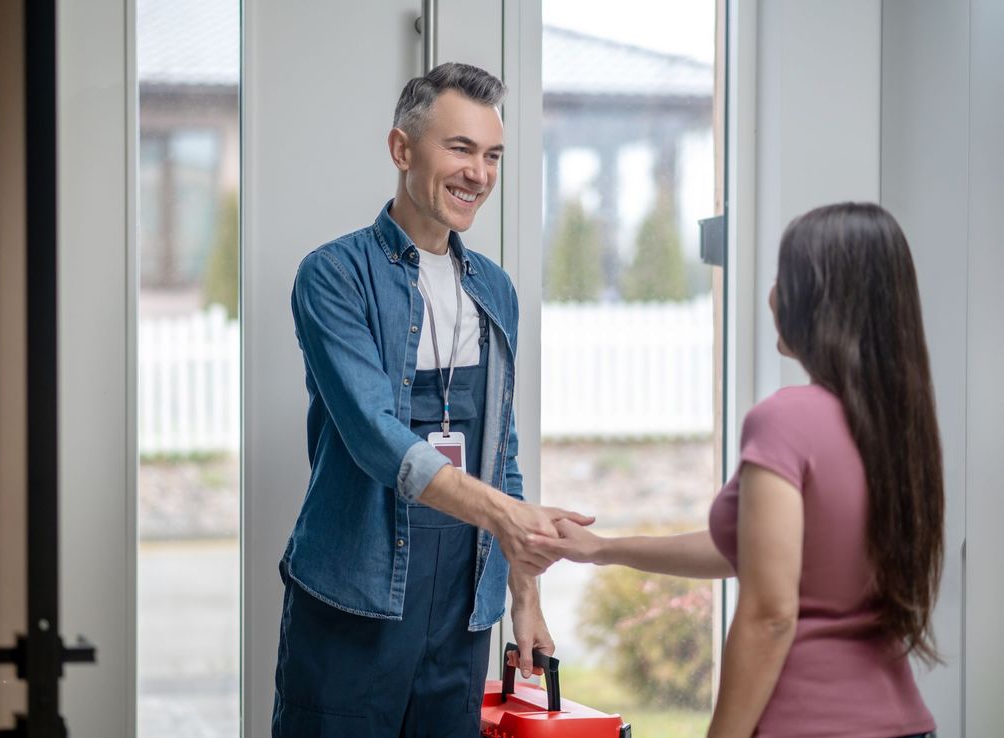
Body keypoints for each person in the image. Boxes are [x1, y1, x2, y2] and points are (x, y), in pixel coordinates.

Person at [532, 202, 943, 738]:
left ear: (818, 299)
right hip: (907, 723)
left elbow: (770, 613)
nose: (772, 294)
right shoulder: (900, 429)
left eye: (783, 278)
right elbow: (750, 552)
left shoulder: (786, 420)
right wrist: (603, 549)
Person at [272, 62, 592, 737]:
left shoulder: (495, 290)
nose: (479, 172)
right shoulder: (334, 276)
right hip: (351, 604)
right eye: (460, 148)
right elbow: (372, 435)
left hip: (458, 614)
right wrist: (508, 513)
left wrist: (521, 597)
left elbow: (498, 450)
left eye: (492, 155)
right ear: (401, 149)